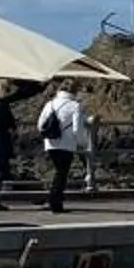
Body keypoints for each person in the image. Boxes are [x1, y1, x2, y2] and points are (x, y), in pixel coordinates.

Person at [36, 81, 90, 213]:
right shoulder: (75, 106)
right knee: (62, 173)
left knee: (58, 171)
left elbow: (40, 124)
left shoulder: (50, 103)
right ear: (74, 91)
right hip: (67, 144)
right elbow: (77, 129)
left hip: (51, 143)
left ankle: (53, 200)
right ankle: (55, 202)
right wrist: (82, 142)